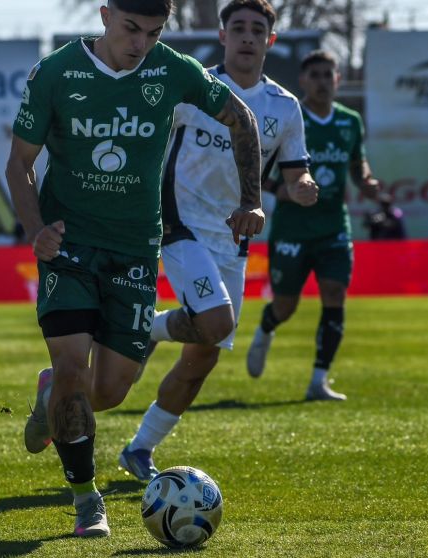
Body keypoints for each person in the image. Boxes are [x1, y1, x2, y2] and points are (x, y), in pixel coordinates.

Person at [5, 0, 264, 538]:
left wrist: (252, 200)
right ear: (104, 16)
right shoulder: (55, 73)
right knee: (76, 367)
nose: (139, 43)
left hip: (135, 251)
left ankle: (49, 393)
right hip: (69, 246)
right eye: (130, 28)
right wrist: (37, 230)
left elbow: (241, 117)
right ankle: (86, 500)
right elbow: (19, 164)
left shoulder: (172, 69)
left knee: (109, 391)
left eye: (152, 32)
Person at [117, 0, 317, 483]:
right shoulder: (193, 89)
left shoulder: (285, 107)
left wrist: (302, 187)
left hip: (234, 239)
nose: (247, 37)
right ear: (223, 35)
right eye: (239, 28)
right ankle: (152, 333)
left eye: (257, 30)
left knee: (204, 352)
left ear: (270, 40)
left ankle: (140, 447)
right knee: (215, 320)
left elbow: (295, 172)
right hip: (179, 221)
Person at [246, 49, 383, 401]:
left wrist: (366, 181)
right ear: (303, 81)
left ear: (338, 80)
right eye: (315, 75)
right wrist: (285, 192)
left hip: (334, 227)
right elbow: (257, 174)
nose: (323, 82)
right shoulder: (291, 117)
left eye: (329, 75)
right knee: (286, 306)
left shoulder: (350, 121)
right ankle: (266, 327)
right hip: (292, 230)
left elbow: (357, 163)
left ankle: (318, 381)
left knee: (335, 295)